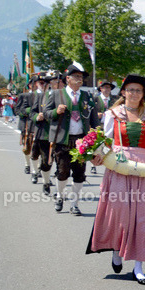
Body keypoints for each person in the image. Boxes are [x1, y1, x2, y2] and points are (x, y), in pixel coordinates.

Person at [87, 75, 145, 285]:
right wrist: (97, 155)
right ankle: (117, 251)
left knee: (143, 217)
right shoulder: (113, 114)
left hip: (144, 168)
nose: (135, 94)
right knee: (121, 213)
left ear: (143, 95)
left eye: (138, 91)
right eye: (131, 90)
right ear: (123, 92)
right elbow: (107, 141)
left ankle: (139, 266)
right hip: (119, 166)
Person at [44, 63, 101, 215]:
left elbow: (94, 119)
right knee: (62, 172)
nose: (79, 79)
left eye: (81, 77)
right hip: (62, 139)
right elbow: (46, 113)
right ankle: (60, 196)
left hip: (82, 141)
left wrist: (97, 139)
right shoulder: (56, 94)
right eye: (76, 77)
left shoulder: (87, 96)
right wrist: (56, 111)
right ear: (67, 79)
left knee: (79, 173)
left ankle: (74, 204)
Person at [30, 73, 56, 195]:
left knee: (58, 162)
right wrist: (37, 116)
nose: (50, 84)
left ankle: (61, 191)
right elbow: (32, 112)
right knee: (44, 160)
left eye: (55, 81)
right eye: (48, 82)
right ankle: (45, 181)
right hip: (44, 132)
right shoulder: (41, 97)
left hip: (60, 133)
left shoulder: (63, 97)